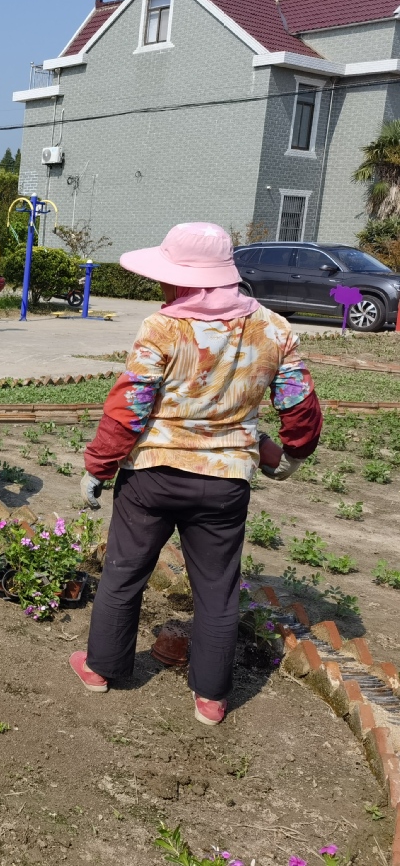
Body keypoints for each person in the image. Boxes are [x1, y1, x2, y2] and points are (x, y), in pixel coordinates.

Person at [70, 222, 322, 726]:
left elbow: (130, 407)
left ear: (185, 279)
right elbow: (297, 401)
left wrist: (97, 467)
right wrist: (292, 452)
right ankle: (210, 697)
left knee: (124, 573)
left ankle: (102, 669)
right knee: (217, 589)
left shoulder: (163, 327)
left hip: (152, 476)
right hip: (226, 482)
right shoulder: (274, 328)